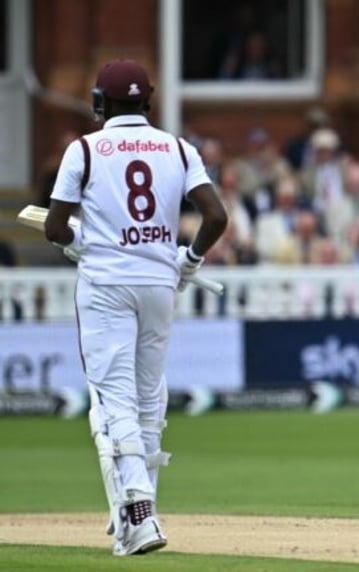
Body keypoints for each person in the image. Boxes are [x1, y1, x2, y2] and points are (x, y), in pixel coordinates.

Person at [44, 59, 228, 555]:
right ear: (147, 101)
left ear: (99, 103)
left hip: (106, 283)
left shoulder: (83, 149)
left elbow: (54, 227)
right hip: (158, 283)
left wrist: (76, 241)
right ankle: (135, 517)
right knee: (150, 397)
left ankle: (139, 508)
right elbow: (216, 216)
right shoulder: (177, 146)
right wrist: (188, 261)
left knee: (114, 398)